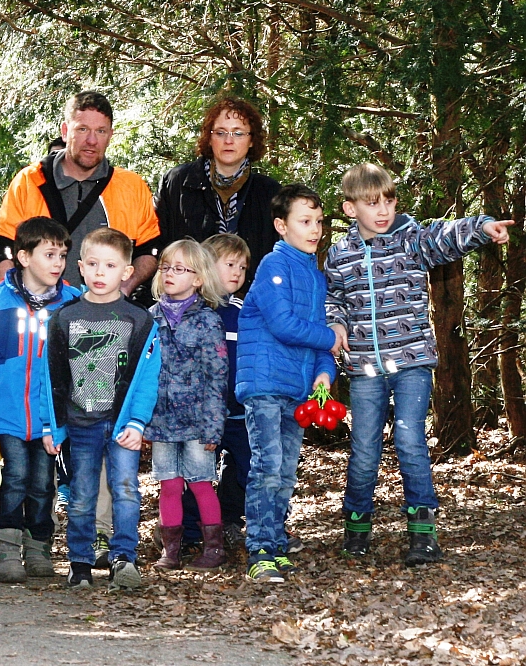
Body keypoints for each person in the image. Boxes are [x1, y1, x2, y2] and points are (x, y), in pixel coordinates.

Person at [326, 164, 513, 565]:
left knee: (410, 440)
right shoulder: (339, 254)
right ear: (349, 208)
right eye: (371, 203)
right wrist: (336, 324)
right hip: (364, 369)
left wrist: (483, 227)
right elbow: (334, 298)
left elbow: (445, 237)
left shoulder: (410, 240)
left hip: (411, 361)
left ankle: (423, 534)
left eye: (388, 201)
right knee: (364, 449)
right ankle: (356, 527)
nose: (383, 210)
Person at [0, 217, 82, 583]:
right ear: (24, 257)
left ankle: (38, 547)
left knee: (43, 484)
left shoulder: (72, 302)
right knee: (16, 476)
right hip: (6, 411)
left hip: (50, 415)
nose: (58, 263)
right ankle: (7, 550)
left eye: (62, 255)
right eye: (49, 254)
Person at [46, 228, 161, 590]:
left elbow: (148, 378)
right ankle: (79, 562)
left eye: (110, 266)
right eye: (93, 264)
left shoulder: (139, 320)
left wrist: (138, 422)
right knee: (81, 494)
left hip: (123, 424)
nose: (100, 272)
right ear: (80, 267)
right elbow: (52, 376)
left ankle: (124, 558)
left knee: (125, 490)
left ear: (126, 272)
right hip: (81, 424)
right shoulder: (64, 318)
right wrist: (53, 427)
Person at [236, 184, 339, 583]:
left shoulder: (315, 276)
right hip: (265, 384)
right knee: (267, 466)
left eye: (319, 222)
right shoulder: (273, 266)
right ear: (281, 226)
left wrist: (325, 373)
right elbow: (284, 325)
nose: (315, 230)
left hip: (297, 390)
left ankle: (276, 542)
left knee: (286, 471)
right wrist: (331, 338)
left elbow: (317, 333)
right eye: (305, 221)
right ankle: (259, 550)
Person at [0, 91, 160, 297]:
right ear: (65, 131)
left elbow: (150, 249)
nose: (91, 140)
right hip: (38, 308)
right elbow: (2, 245)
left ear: (110, 136)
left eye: (100, 131)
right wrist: (15, 298)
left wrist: (124, 290)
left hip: (105, 310)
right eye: (82, 129)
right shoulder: (30, 181)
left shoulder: (132, 187)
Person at [145, 240, 229, 572]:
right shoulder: (150, 318)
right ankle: (171, 551)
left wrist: (213, 426)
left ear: (198, 279)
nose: (170, 274)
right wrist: (143, 420)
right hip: (162, 420)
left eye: (180, 269)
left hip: (198, 421)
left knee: (200, 482)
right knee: (168, 484)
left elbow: (217, 375)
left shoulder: (207, 321)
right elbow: (143, 373)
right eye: (166, 267)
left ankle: (214, 548)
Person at [153, 95, 281, 293]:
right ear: (209, 138)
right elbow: (157, 244)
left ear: (251, 140)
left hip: (249, 301)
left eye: (238, 133)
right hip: (186, 298)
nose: (228, 140)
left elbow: (277, 256)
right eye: (220, 133)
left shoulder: (269, 193)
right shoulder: (177, 182)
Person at [202, 234, 251, 545]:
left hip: (239, 411)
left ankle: (231, 520)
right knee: (198, 472)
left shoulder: (244, 312)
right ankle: (188, 529)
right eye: (230, 264)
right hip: (203, 415)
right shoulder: (193, 311)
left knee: (245, 466)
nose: (237, 272)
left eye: (242, 267)